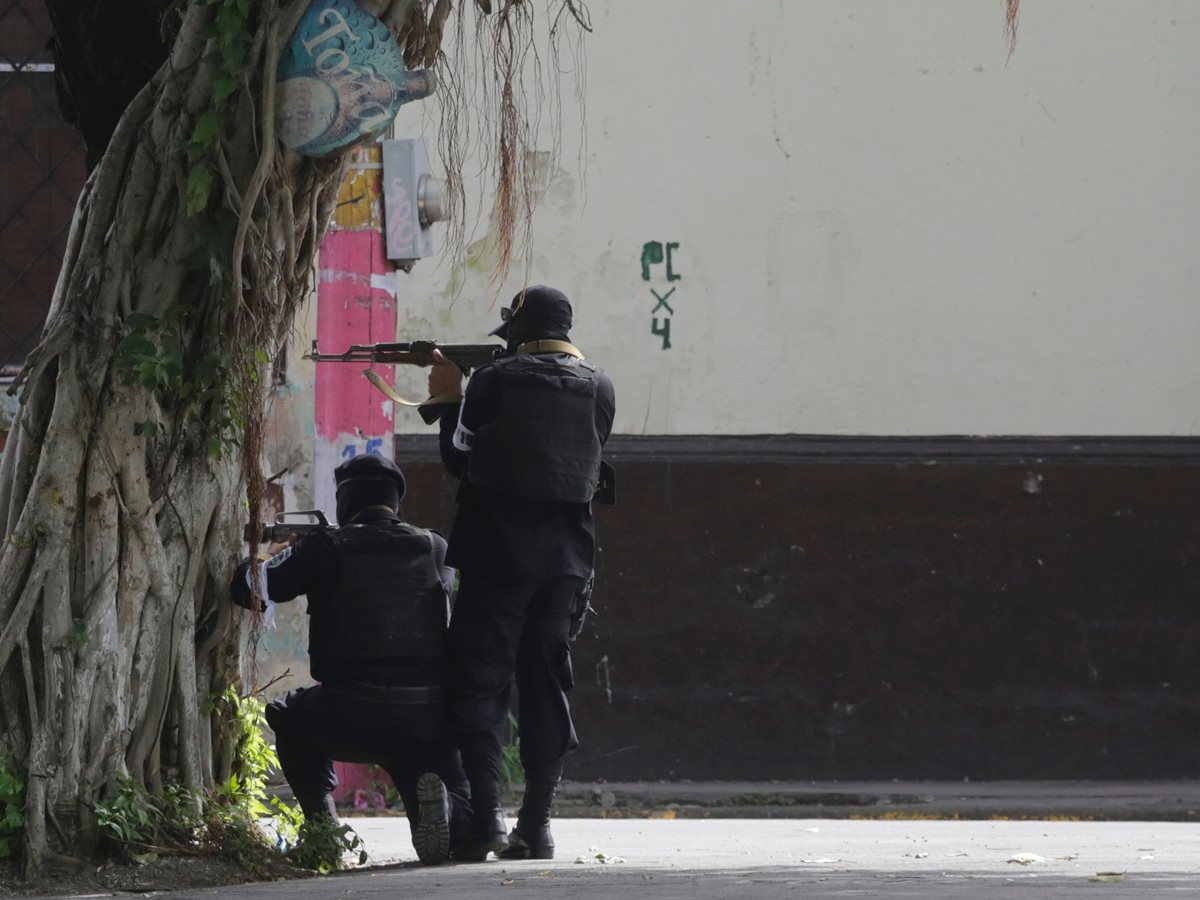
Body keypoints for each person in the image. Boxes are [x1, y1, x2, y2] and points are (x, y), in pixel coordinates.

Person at [426, 284, 616, 861]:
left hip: (496, 557)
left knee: (480, 683)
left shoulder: (492, 382)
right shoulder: (600, 387)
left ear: (517, 331)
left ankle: (486, 820)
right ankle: (538, 825)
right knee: (546, 685)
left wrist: (447, 400)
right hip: (566, 564)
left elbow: (460, 460)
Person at [229, 454, 471, 865]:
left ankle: (325, 834)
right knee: (454, 803)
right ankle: (447, 811)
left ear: (344, 501)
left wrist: (277, 553)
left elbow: (246, 587)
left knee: (287, 713)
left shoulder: (327, 547)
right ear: (396, 502)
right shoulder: (435, 547)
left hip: (352, 713)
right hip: (427, 716)